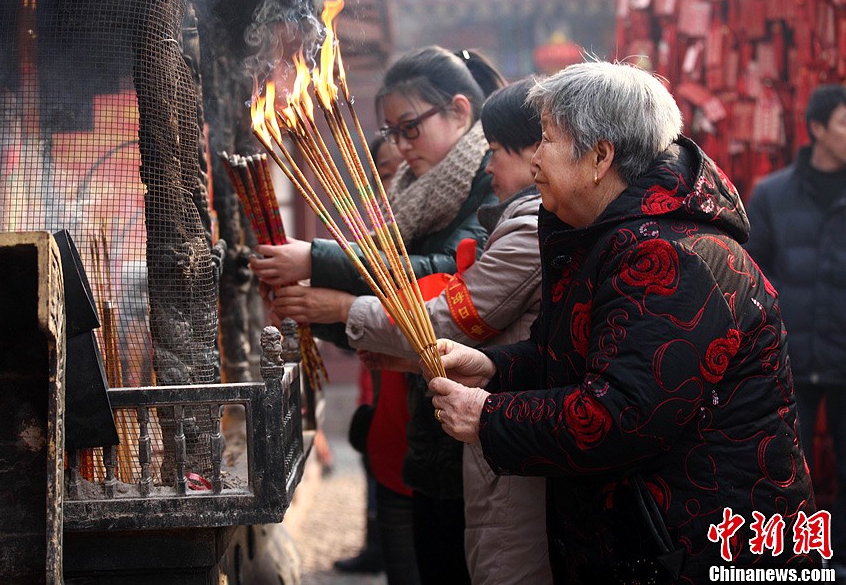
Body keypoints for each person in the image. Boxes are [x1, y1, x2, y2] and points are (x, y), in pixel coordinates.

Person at [427, 61, 820, 582]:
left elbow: (621, 413)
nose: (535, 157)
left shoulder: (671, 257)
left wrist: (490, 417)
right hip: (646, 541)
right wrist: (494, 371)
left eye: (546, 139)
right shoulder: (609, 238)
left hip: (701, 547)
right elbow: (577, 354)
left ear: (599, 157)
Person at [271, 79, 552, 584]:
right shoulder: (435, 202)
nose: (400, 149)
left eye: (410, 129)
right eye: (391, 136)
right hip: (451, 428)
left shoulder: (524, 221)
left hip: (495, 437)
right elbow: (510, 345)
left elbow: (450, 315)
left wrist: (334, 294)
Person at [746, 84, 846, 577]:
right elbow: (754, 275)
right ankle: (798, 562)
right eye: (844, 124)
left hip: (844, 355)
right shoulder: (772, 193)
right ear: (818, 129)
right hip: (790, 356)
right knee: (785, 469)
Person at [332, 136, 404, 576]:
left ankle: (383, 543)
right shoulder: (372, 219)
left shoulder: (410, 217)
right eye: (385, 172)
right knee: (374, 449)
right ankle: (376, 540)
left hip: (404, 361)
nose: (392, 181)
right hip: (374, 367)